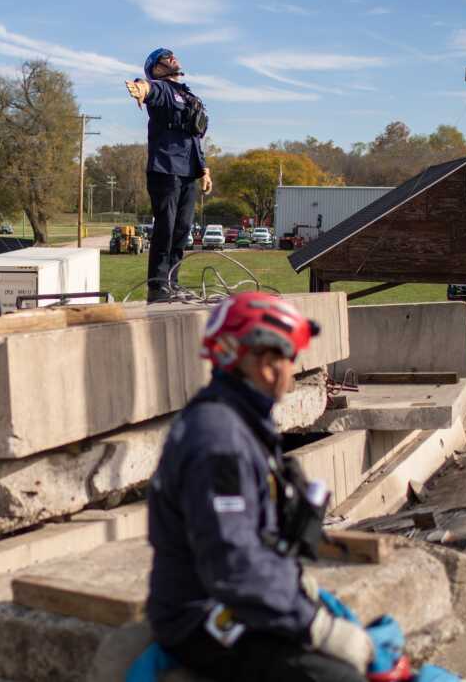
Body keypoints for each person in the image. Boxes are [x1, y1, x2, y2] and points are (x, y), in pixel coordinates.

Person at [146, 292, 374, 681]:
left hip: (225, 596)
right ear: (267, 364)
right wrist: (312, 624)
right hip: (200, 616)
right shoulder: (221, 443)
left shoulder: (236, 421)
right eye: (291, 359)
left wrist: (291, 587)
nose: (292, 371)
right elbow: (233, 566)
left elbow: (253, 540)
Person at [125, 48, 212, 303]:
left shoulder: (188, 95)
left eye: (173, 56)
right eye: (166, 57)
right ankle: (158, 286)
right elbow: (148, 89)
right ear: (156, 68)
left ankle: (173, 283)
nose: (173, 58)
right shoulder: (162, 89)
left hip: (188, 172)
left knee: (183, 230)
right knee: (166, 227)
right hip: (165, 169)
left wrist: (204, 170)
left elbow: (195, 138)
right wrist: (141, 89)